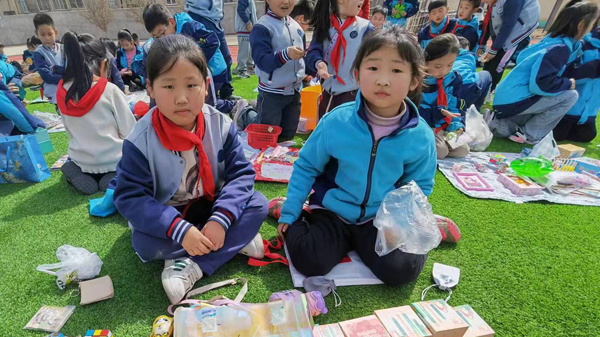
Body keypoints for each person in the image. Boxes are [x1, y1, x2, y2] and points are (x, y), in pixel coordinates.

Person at [111, 35, 267, 304]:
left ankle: (192, 261)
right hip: (170, 212)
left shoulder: (221, 124)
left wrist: (220, 220)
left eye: (191, 85)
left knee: (258, 204)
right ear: (150, 88)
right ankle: (232, 241)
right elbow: (130, 198)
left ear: (206, 87)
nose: (182, 98)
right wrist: (180, 230)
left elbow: (241, 175)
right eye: (168, 86)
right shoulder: (139, 140)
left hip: (212, 204)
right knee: (143, 243)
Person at [278, 27, 436, 286]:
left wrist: (402, 226)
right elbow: (306, 166)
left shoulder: (421, 136)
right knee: (309, 261)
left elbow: (419, 187)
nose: (383, 80)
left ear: (414, 81)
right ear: (357, 74)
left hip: (379, 217)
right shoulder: (336, 121)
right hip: (332, 210)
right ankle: (296, 214)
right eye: (373, 68)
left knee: (402, 272)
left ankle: (428, 228)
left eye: (396, 71)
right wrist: (290, 211)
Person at [488, 0, 599, 144]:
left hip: (508, 99)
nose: (592, 29)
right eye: (591, 25)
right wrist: (567, 83)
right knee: (570, 95)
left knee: (558, 96)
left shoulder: (554, 41)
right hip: (513, 101)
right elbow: (541, 84)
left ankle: (502, 125)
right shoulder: (560, 48)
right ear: (581, 25)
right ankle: (529, 134)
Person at [56, 32, 136, 195]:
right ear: (103, 64)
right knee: (135, 161)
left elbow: (69, 132)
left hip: (81, 160)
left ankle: (77, 171)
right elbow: (130, 131)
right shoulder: (109, 90)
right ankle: (114, 177)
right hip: (113, 159)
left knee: (76, 160)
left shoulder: (62, 92)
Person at [238, 0, 306, 143]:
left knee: (288, 134)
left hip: (294, 92)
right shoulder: (262, 27)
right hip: (272, 93)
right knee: (265, 135)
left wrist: (310, 71)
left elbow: (302, 59)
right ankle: (244, 113)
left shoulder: (296, 26)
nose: (286, 2)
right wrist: (285, 54)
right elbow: (263, 62)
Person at [305, 0, 376, 118]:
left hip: (352, 94)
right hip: (327, 93)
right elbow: (313, 51)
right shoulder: (325, 24)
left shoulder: (366, 28)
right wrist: (319, 63)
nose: (362, 1)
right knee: (326, 131)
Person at [420, 34, 469, 159]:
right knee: (441, 151)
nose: (444, 71)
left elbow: (454, 106)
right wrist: (438, 112)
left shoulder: (453, 79)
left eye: (450, 65)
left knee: (463, 150)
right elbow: (414, 111)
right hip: (424, 125)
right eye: (438, 66)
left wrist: (457, 127)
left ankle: (439, 145)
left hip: (442, 125)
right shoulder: (417, 80)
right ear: (425, 61)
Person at [478, 0, 540, 91]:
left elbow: (508, 25)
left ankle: (489, 90)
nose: (483, 1)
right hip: (502, 34)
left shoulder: (513, 2)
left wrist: (494, 49)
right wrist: (482, 44)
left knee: (499, 64)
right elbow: (488, 22)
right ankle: (482, 89)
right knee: (489, 62)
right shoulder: (493, 2)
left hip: (514, 36)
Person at [554, 23, 600, 143]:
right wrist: (594, 68)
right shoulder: (582, 44)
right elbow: (565, 74)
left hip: (589, 114)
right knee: (557, 136)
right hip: (568, 108)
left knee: (586, 137)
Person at [185, 0, 235, 99]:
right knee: (210, 61)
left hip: (216, 19)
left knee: (227, 59)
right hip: (201, 16)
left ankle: (226, 92)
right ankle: (212, 94)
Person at [33, 13, 64, 104]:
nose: (47, 38)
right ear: (36, 34)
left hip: (69, 88)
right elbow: (46, 75)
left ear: (56, 32)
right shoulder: (39, 53)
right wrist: (66, 77)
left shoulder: (63, 48)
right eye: (42, 35)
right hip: (54, 90)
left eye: (50, 34)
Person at [453, 36, 491, 111]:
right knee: (487, 75)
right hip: (467, 88)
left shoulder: (445, 55)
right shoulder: (469, 55)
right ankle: (476, 109)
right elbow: (472, 74)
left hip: (449, 90)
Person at [235, 0, 258, 78]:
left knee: (249, 50)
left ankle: (249, 67)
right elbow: (240, 10)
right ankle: (241, 70)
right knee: (244, 51)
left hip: (248, 29)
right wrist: (248, 22)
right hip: (244, 28)